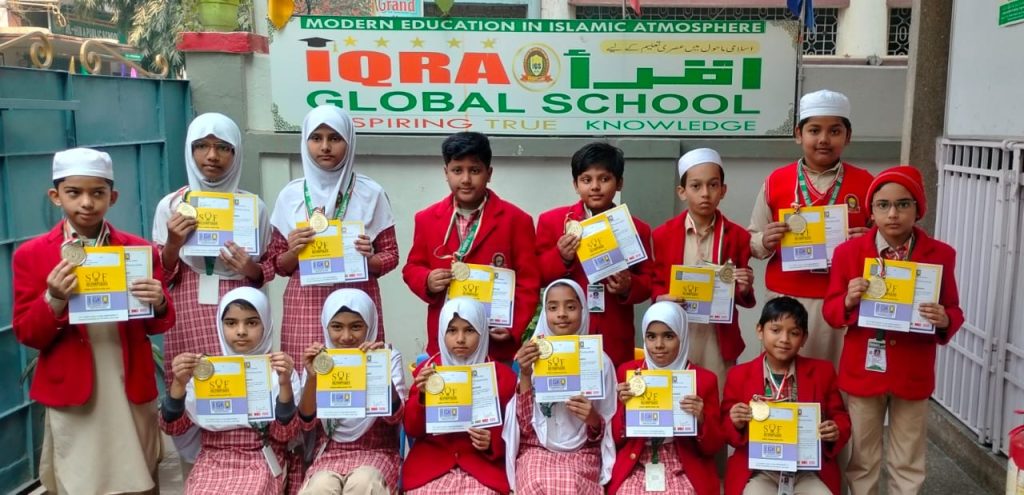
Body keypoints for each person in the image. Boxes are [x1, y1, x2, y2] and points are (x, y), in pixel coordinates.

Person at [13, 148, 174, 493]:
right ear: (55, 196)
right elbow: (27, 333)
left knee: (138, 474)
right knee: (80, 479)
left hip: (127, 379)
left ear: (112, 197)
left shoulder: (138, 251)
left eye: (97, 193)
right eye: (74, 193)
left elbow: (159, 325)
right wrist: (53, 299)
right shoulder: (33, 255)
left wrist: (159, 302)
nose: (86, 203)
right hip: (73, 387)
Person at [268, 106, 399, 492]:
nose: (325, 147)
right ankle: (311, 474)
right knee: (309, 382)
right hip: (306, 305)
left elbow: (391, 256)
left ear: (349, 142)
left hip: (357, 307)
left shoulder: (371, 193)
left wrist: (369, 257)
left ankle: (361, 456)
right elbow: (276, 263)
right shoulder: (291, 195)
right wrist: (294, 249)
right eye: (316, 138)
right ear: (305, 142)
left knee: (355, 380)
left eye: (335, 138)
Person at [823, 165, 964, 495]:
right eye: (883, 205)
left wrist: (944, 318)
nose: (893, 214)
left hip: (912, 369)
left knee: (908, 458)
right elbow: (830, 311)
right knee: (862, 457)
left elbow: (954, 309)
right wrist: (848, 299)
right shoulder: (849, 253)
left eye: (903, 204)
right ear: (871, 211)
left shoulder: (940, 255)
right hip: (864, 369)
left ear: (918, 209)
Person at [152, 113, 276, 467]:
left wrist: (248, 267)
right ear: (189, 150)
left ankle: (249, 460)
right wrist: (174, 243)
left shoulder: (252, 208)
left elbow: (269, 267)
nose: (212, 156)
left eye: (223, 147)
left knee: (241, 381)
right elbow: (161, 275)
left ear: (236, 153)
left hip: (238, 306)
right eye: (202, 146)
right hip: (187, 306)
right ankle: (198, 470)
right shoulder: (171, 206)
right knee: (190, 378)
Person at [747, 89, 875, 365]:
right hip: (785, 300)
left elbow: (885, 247)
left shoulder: (866, 184)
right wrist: (765, 240)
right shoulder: (776, 181)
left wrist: (870, 242)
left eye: (834, 131)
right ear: (798, 134)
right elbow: (752, 241)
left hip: (842, 300)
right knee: (784, 374)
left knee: (835, 377)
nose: (823, 139)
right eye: (814, 130)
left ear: (848, 137)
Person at [402, 132, 540, 361]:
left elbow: (528, 281)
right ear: (446, 173)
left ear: (489, 173)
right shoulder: (427, 219)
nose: (466, 179)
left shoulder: (516, 220)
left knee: (496, 384)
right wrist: (426, 280)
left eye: (474, 170)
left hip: (495, 340)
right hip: (447, 340)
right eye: (457, 170)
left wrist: (514, 326)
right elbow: (412, 267)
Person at [161, 287, 300, 493]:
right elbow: (173, 428)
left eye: (252, 323)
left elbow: (284, 434)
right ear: (220, 325)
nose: (241, 331)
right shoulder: (206, 372)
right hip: (212, 460)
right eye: (231, 323)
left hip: (260, 458)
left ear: (266, 323)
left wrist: (284, 383)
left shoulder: (278, 371)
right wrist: (179, 384)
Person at [534, 142, 654, 368]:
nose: (595, 187)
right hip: (565, 332)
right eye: (586, 180)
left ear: (619, 183)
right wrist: (561, 257)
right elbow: (537, 275)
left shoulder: (635, 228)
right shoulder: (553, 222)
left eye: (604, 179)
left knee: (613, 388)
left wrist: (629, 285)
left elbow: (649, 282)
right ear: (575, 184)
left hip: (614, 334)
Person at [721, 296, 851, 495]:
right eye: (775, 330)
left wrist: (835, 430)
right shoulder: (739, 375)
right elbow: (725, 426)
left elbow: (841, 418)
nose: (784, 339)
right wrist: (735, 422)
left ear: (804, 339)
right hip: (760, 470)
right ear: (760, 331)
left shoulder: (822, 372)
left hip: (807, 469)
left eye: (794, 333)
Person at [652, 148, 756, 390]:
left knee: (716, 396)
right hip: (677, 333)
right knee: (677, 397)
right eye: (696, 186)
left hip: (717, 338)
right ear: (682, 192)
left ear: (723, 190)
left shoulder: (737, 236)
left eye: (713, 185)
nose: (705, 193)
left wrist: (744, 287)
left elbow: (742, 293)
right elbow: (655, 282)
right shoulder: (663, 235)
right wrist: (660, 297)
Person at [504, 279, 618, 494]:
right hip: (537, 449)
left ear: (583, 310)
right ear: (544, 313)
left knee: (571, 485)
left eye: (571, 307)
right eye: (553, 308)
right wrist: (526, 374)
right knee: (536, 482)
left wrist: (592, 418)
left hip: (582, 452)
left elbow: (609, 426)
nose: (562, 314)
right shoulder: (533, 357)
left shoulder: (600, 362)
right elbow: (525, 427)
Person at [295, 289, 406, 494]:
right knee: (319, 487)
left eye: (356, 327)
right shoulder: (320, 360)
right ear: (326, 326)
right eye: (337, 327)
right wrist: (312, 378)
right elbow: (306, 423)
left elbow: (396, 418)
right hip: (329, 454)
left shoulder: (387, 356)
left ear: (369, 326)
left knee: (364, 483)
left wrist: (378, 368)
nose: (346, 337)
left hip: (376, 452)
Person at [402, 298, 518, 494]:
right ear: (442, 332)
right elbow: (412, 429)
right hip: (431, 465)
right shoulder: (428, 371)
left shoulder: (501, 376)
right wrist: (422, 397)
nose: (460, 339)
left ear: (482, 331)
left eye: (469, 330)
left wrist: (492, 442)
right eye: (452, 330)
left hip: (481, 467)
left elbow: (513, 429)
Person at [608, 302, 724, 494]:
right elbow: (616, 440)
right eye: (651, 336)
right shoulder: (629, 373)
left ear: (682, 337)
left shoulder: (703, 379)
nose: (659, 345)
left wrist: (701, 418)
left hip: (683, 463)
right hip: (637, 460)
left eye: (668, 336)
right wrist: (624, 409)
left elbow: (713, 447)